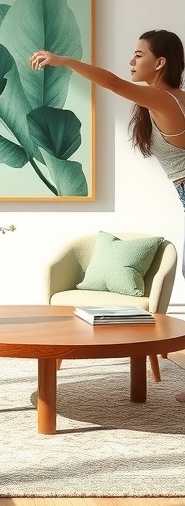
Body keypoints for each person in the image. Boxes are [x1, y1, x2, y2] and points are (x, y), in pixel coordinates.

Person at [30, 29, 185, 402]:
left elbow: (114, 83)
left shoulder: (163, 98)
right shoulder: (173, 98)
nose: (131, 62)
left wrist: (63, 60)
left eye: (138, 55)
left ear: (159, 63)